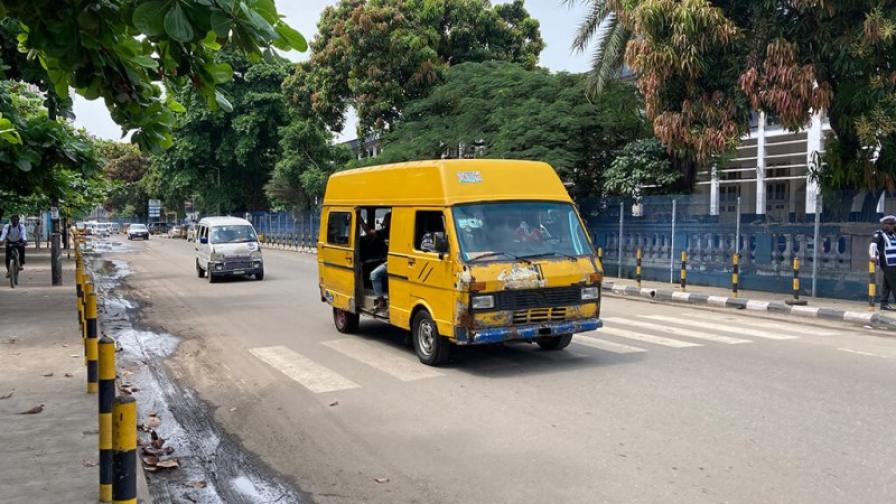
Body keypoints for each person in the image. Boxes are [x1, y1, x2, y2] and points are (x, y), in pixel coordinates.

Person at [363, 212, 391, 310]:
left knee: (374, 275)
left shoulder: (391, 231)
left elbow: (369, 232)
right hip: (388, 260)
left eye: (386, 220)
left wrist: (361, 221)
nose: (384, 222)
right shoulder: (385, 231)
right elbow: (370, 233)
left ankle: (381, 301)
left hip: (393, 262)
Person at [869, 215, 896, 310]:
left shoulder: (892, 234)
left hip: (894, 262)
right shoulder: (879, 233)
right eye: (891, 224)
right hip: (886, 262)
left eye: (893, 224)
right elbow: (873, 245)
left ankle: (884, 303)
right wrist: (872, 256)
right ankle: (884, 303)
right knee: (894, 282)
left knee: (887, 283)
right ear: (885, 225)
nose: (893, 226)